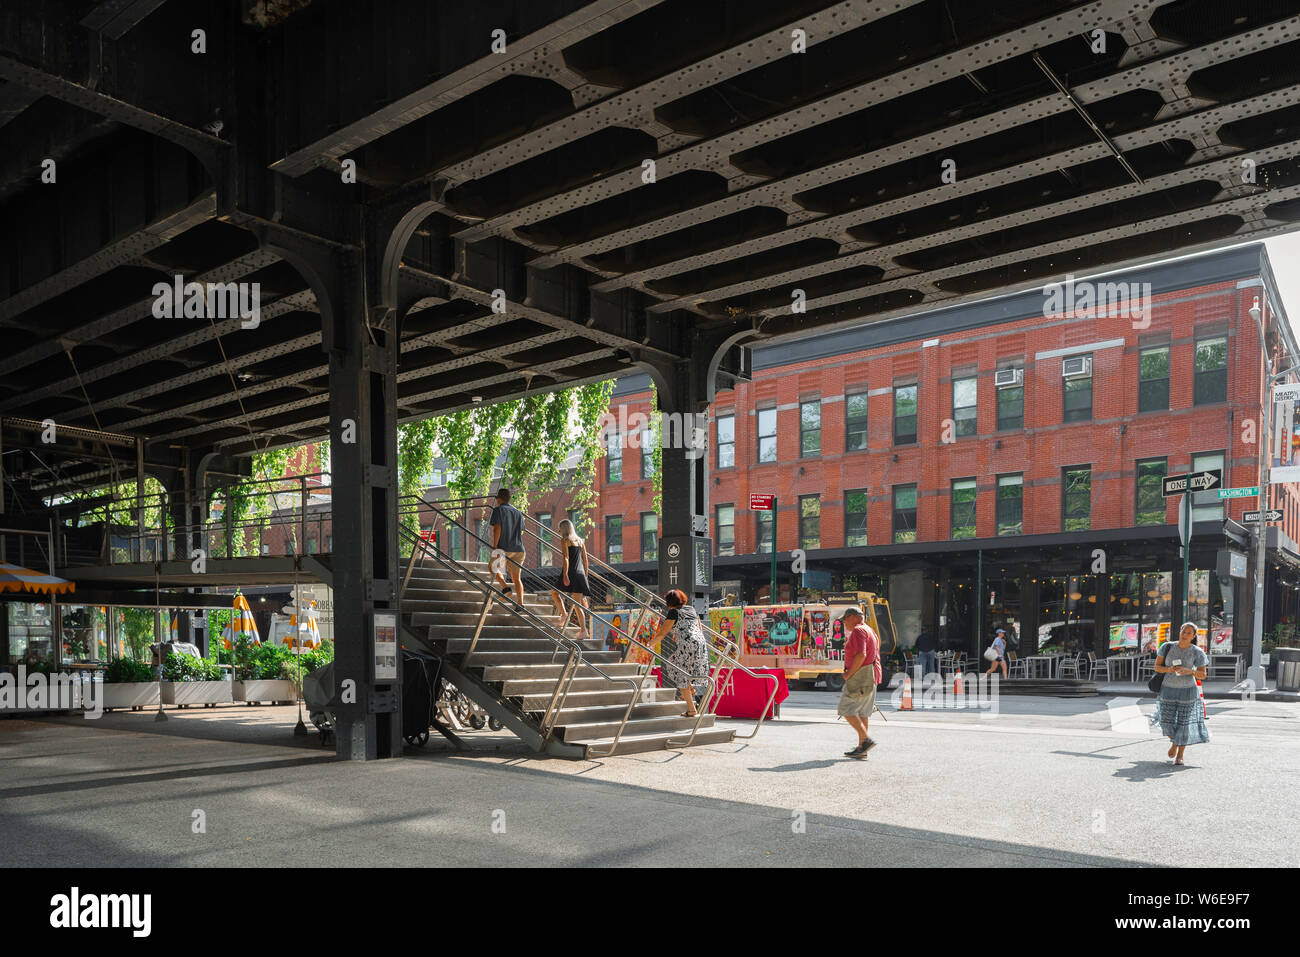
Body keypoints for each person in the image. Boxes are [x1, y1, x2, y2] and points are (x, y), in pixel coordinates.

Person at [1152, 621, 1210, 765]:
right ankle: (1174, 742)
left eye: (1189, 633)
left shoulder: (1197, 652)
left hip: (1188, 691)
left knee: (1184, 724)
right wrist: (1168, 669)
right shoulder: (1167, 647)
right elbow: (1157, 667)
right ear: (1180, 632)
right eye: (1184, 631)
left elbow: (1203, 675)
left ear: (1194, 636)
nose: (1185, 635)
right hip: (1167, 689)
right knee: (1166, 722)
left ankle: (1180, 755)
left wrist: (1189, 671)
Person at [652, 589, 710, 717]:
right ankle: (690, 689)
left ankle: (691, 708)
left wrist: (648, 644)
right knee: (677, 666)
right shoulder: (691, 609)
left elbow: (662, 633)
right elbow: (698, 627)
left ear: (669, 602)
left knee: (678, 672)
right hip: (700, 642)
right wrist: (678, 634)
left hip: (687, 643)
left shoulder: (673, 612)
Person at [838, 606, 881, 758]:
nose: (845, 623)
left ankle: (866, 740)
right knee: (863, 712)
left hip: (861, 675)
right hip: (872, 674)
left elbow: (861, 654)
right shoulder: (870, 630)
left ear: (853, 617)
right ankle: (862, 747)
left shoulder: (858, 630)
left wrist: (849, 673)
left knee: (846, 708)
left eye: (845, 620)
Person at [550, 519, 592, 640]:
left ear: (564, 529)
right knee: (577, 605)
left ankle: (563, 614)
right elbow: (585, 560)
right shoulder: (580, 541)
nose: (558, 531)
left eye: (559, 528)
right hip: (580, 574)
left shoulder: (565, 540)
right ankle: (584, 631)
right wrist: (585, 574)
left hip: (570, 572)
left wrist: (565, 574)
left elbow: (566, 558)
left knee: (554, 592)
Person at [489, 487, 525, 605]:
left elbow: (497, 528)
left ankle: (505, 588)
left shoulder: (498, 510)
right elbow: (521, 530)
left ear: (499, 499)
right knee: (516, 578)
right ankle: (520, 604)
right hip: (519, 549)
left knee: (492, 567)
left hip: (504, 547)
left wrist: (495, 546)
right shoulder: (518, 512)